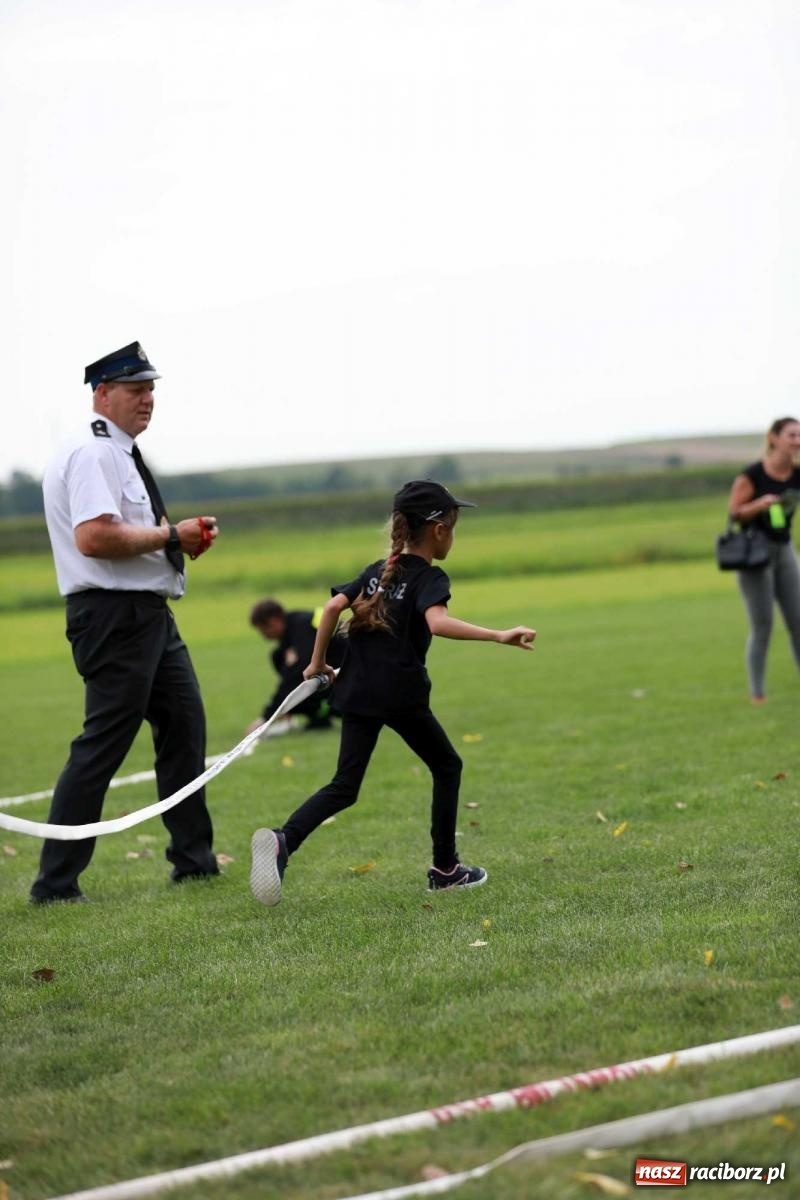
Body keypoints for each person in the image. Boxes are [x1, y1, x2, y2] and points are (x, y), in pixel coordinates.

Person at [250, 479, 536, 906]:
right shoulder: (429, 577)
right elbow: (437, 623)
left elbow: (331, 608)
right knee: (447, 765)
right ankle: (445, 870)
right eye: (453, 527)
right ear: (439, 530)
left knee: (345, 785)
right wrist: (498, 635)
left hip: (357, 691)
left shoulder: (373, 573)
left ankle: (283, 840)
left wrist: (315, 663)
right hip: (399, 694)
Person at [30, 341, 221, 904]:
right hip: (114, 616)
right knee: (103, 747)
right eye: (137, 390)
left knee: (185, 731)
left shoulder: (121, 453)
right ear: (102, 393)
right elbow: (94, 538)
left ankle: (195, 861)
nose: (148, 400)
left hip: (148, 615)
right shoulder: (93, 453)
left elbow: (131, 532)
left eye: (152, 390)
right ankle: (55, 884)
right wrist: (169, 536)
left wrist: (180, 540)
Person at [728, 416, 800, 703]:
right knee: (763, 625)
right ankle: (757, 693)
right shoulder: (753, 475)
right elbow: (734, 513)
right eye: (792, 435)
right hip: (754, 554)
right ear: (774, 438)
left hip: (785, 551)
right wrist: (759, 504)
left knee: (798, 622)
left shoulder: (797, 474)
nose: (797, 441)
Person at [246, 599, 343, 734]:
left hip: (349, 676)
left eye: (263, 630)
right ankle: (318, 716)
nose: (264, 636)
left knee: (295, 675)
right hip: (332, 677)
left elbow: (299, 673)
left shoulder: (303, 626)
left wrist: (266, 718)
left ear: (273, 622)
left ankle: (324, 712)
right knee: (278, 656)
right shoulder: (291, 633)